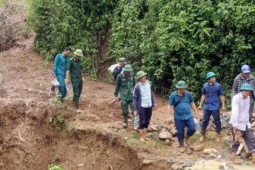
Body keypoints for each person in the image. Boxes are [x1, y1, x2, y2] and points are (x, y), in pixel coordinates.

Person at [166, 80, 198, 153]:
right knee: (180, 132)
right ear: (178, 89)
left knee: (192, 128)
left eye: (184, 88)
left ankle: (187, 137)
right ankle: (181, 145)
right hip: (178, 117)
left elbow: (192, 103)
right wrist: (168, 117)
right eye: (182, 89)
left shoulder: (188, 94)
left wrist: (196, 113)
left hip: (188, 115)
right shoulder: (173, 95)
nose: (184, 90)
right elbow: (170, 105)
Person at [230, 83, 255, 164]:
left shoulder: (248, 98)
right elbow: (235, 111)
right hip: (237, 123)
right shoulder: (236, 98)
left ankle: (254, 159)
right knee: (236, 142)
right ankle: (233, 160)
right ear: (243, 90)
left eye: (250, 91)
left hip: (245, 123)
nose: (249, 93)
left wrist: (248, 122)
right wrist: (235, 126)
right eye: (248, 91)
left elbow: (247, 111)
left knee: (251, 140)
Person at [198, 72, 226, 142]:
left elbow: (221, 95)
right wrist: (200, 104)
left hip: (215, 105)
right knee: (205, 121)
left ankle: (218, 135)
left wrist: (223, 105)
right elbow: (203, 95)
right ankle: (203, 135)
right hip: (207, 105)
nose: (214, 78)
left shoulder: (218, 86)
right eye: (212, 77)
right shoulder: (205, 86)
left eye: (214, 77)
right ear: (208, 79)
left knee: (217, 121)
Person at [133, 71, 155, 142]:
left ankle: (145, 135)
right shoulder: (137, 87)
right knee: (142, 121)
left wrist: (153, 102)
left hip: (149, 104)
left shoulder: (149, 83)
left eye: (145, 76)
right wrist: (136, 109)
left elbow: (151, 94)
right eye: (143, 77)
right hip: (142, 105)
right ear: (140, 78)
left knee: (147, 121)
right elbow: (135, 98)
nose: (144, 77)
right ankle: (141, 137)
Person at [114, 64, 135, 128]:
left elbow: (134, 85)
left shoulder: (132, 76)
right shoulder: (119, 76)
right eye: (127, 72)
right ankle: (125, 122)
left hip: (132, 96)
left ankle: (136, 125)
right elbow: (117, 86)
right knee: (125, 111)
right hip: (124, 97)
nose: (128, 73)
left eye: (129, 72)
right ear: (125, 71)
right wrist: (116, 95)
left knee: (134, 111)